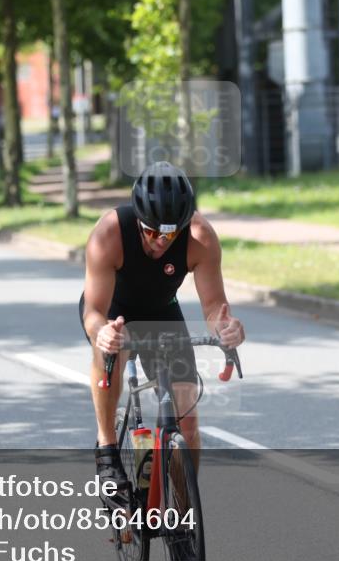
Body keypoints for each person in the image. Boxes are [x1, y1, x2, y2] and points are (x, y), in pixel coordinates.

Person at [79, 161, 245, 497]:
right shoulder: (109, 234)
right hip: (114, 313)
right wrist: (104, 331)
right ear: (139, 221)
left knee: (188, 423)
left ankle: (184, 513)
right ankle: (107, 450)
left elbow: (214, 307)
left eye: (171, 233)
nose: (161, 241)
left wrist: (226, 327)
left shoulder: (201, 238)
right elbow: (93, 311)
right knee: (112, 347)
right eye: (153, 231)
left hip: (162, 313)